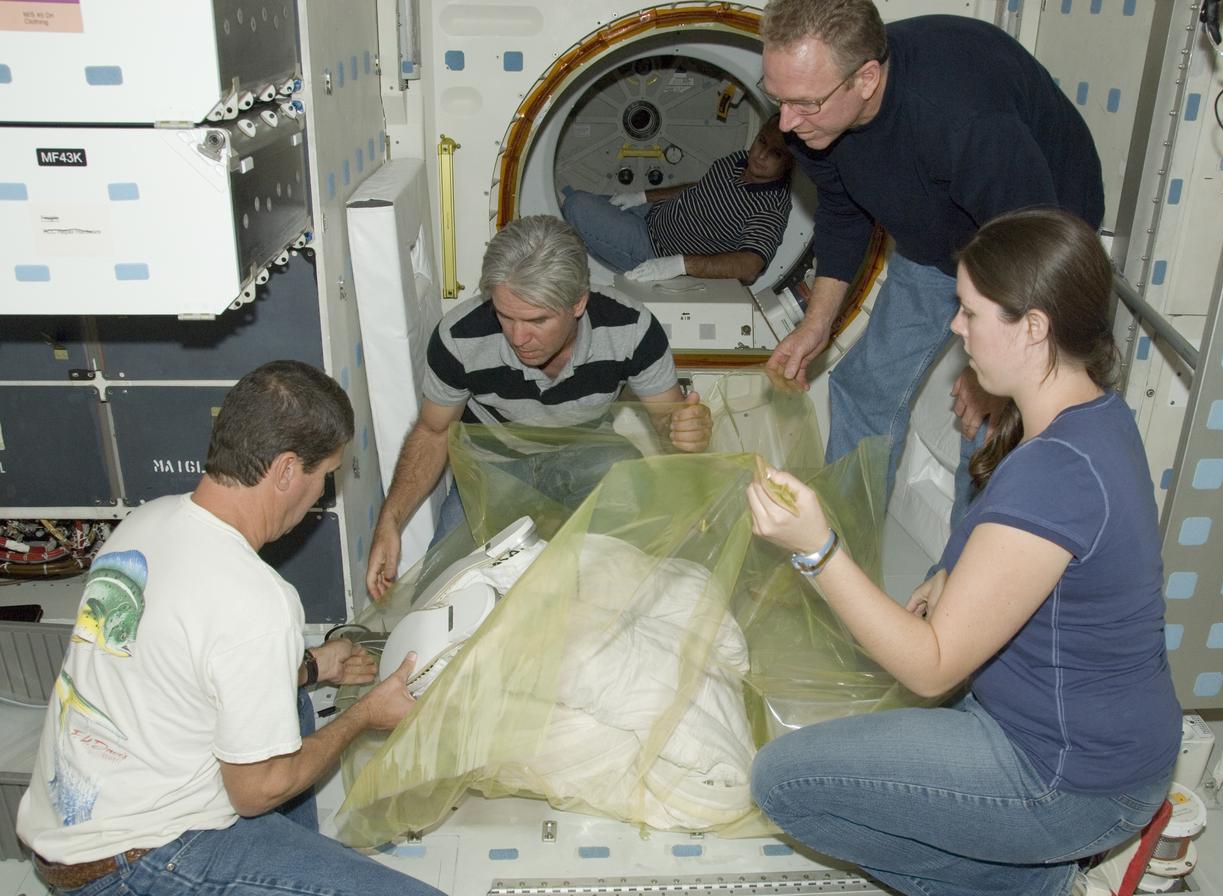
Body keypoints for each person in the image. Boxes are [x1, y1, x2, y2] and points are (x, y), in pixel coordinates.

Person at [746, 209, 1180, 896]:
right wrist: (952, 571)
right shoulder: (1094, 415)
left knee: (783, 783)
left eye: (972, 312)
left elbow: (931, 667)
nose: (956, 326)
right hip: (1097, 745)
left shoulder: (1053, 472)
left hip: (1069, 782)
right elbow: (1025, 542)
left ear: (1033, 327)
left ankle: (1036, 885)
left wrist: (817, 549)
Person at [16, 360, 443, 896]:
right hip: (134, 862)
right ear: (286, 471)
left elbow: (185, 666)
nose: (321, 493)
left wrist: (312, 666)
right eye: (324, 476)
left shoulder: (146, 522)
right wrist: (365, 714)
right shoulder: (256, 598)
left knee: (292, 704)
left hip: (67, 832)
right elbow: (257, 791)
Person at [758, 0, 1105, 520]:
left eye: (804, 102)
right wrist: (817, 323)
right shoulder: (809, 117)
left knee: (989, 425)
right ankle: (839, 554)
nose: (786, 121)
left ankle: (968, 566)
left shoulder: (964, 117)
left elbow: (1030, 249)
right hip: (939, 238)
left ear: (866, 79)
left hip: (1037, 244)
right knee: (864, 387)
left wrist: (994, 374)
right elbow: (842, 208)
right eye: (777, 97)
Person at [366, 214, 711, 600]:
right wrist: (390, 520)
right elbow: (433, 431)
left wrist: (686, 430)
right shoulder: (459, 337)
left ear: (578, 303)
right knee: (439, 597)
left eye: (537, 320)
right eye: (504, 315)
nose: (518, 337)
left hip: (589, 458)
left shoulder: (631, 327)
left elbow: (668, 420)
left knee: (644, 580)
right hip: (492, 468)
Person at [560, 114, 793, 284]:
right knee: (573, 208)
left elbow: (750, 267)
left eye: (775, 153)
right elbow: (700, 189)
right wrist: (642, 196)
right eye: (762, 141)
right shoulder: (738, 160)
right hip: (650, 212)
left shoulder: (771, 206)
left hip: (654, 250)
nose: (761, 155)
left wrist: (679, 264)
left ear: (790, 162)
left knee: (576, 205)